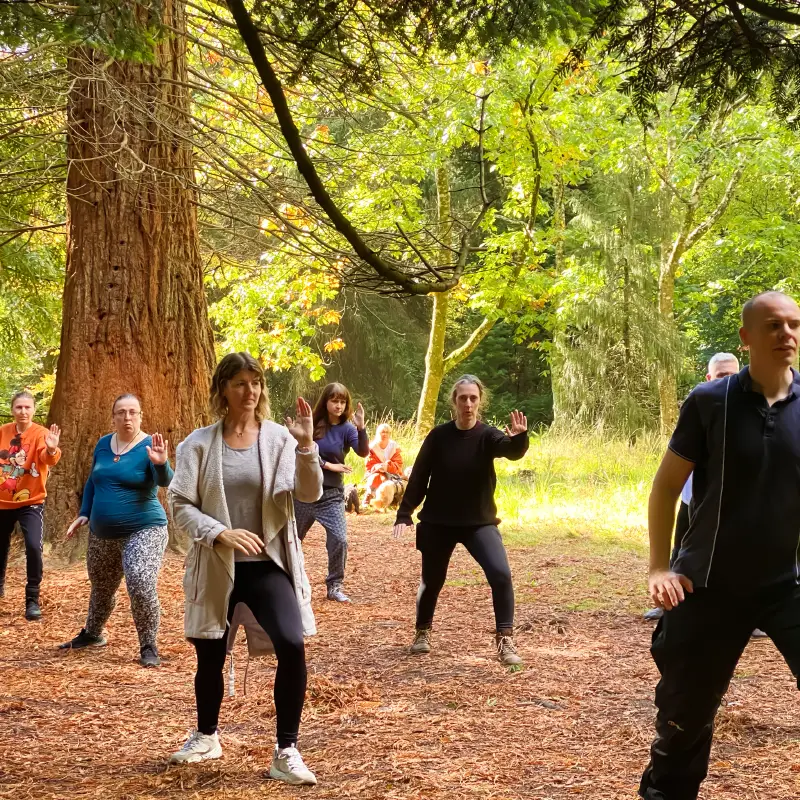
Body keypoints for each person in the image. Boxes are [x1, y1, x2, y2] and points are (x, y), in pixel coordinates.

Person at [639, 291, 800, 800]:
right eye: (773, 326)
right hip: (707, 584)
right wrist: (659, 568)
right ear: (747, 337)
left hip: (788, 584)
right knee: (684, 721)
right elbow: (666, 487)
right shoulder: (710, 401)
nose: (787, 334)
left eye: (794, 325)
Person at [167, 352, 322, 786]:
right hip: (218, 564)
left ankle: (286, 749)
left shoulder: (279, 439)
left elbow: (307, 493)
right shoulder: (198, 443)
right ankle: (207, 734)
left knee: (292, 644)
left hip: (268, 565)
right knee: (210, 654)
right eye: (239, 383)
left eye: (255, 383)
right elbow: (179, 504)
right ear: (223, 390)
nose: (249, 391)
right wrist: (219, 533)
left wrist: (307, 446)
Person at [393, 375, 529, 666]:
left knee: (500, 573)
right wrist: (405, 512)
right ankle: (422, 632)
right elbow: (418, 476)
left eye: (473, 398)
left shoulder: (488, 436)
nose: (468, 404)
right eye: (462, 398)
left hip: (478, 522)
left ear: (480, 401)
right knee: (432, 581)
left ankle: (505, 639)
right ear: (454, 401)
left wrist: (519, 439)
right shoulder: (438, 437)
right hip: (438, 522)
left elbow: (511, 450)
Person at [59, 394, 173, 667]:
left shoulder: (149, 445)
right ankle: (92, 634)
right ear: (114, 417)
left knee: (140, 580)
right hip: (101, 532)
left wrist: (160, 463)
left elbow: (164, 481)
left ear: (141, 416)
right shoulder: (103, 444)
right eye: (121, 412)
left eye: (133, 412)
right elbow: (93, 481)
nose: (127, 417)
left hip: (145, 528)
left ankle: (148, 644)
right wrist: (84, 513)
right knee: (102, 587)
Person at [643, 352, 740, 622]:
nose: (729, 381)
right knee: (681, 551)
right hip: (690, 498)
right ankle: (670, 604)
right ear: (709, 378)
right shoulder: (701, 404)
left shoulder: (751, 410)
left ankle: (752, 618)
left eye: (734, 375)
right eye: (723, 376)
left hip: (733, 503)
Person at [294, 382, 368, 603]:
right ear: (325, 401)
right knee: (291, 540)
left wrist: (361, 427)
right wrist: (327, 464)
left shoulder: (346, 428)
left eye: (342, 401)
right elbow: (300, 449)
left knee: (339, 539)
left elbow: (363, 452)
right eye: (334, 400)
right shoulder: (313, 423)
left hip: (331, 495)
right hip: (304, 493)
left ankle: (334, 586)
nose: (338, 405)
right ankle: (287, 582)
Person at [0, 390, 61, 620]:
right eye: (19, 407)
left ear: (33, 410)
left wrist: (52, 449)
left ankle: (32, 599)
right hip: (2, 501)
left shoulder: (41, 434)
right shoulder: (3, 432)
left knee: (34, 546)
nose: (23, 411)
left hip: (31, 501)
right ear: (12, 410)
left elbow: (48, 458)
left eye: (27, 407)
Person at [364, 423, 404, 504]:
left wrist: (388, 467)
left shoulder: (394, 447)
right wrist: (377, 467)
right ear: (378, 433)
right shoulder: (372, 447)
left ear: (389, 434)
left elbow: (398, 464)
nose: (384, 434)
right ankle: (370, 496)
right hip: (376, 472)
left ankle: (394, 499)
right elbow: (369, 465)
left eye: (387, 432)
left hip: (392, 473)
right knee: (376, 478)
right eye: (382, 432)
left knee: (395, 483)